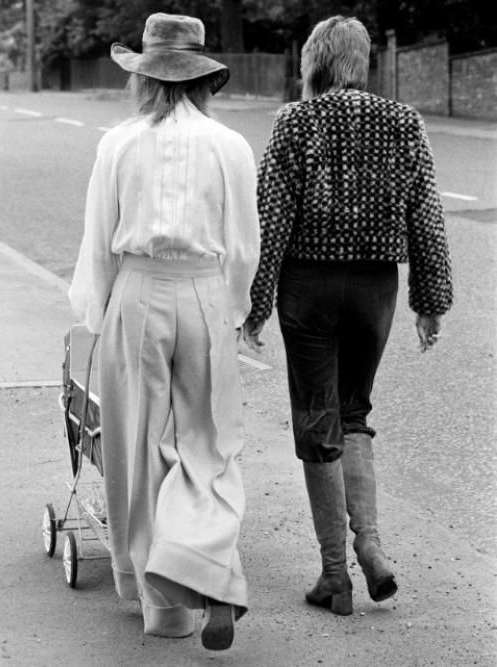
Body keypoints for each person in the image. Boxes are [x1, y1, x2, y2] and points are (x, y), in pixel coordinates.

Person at [243, 15, 452, 616]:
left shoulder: (295, 120)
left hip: (307, 287)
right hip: (374, 290)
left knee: (318, 416)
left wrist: (255, 306)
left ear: (314, 62)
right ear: (362, 63)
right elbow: (427, 216)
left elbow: (270, 217)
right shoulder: (404, 121)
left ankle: (335, 573)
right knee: (354, 412)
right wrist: (430, 302)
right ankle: (372, 544)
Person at [68, 13, 260, 650]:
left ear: (144, 77)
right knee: (209, 443)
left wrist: (98, 313)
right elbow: (243, 247)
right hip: (204, 291)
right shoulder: (230, 146)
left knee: (138, 446)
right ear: (203, 78)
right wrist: (232, 314)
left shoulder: (119, 144)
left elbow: (99, 238)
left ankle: (165, 608)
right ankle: (212, 572)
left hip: (138, 291)